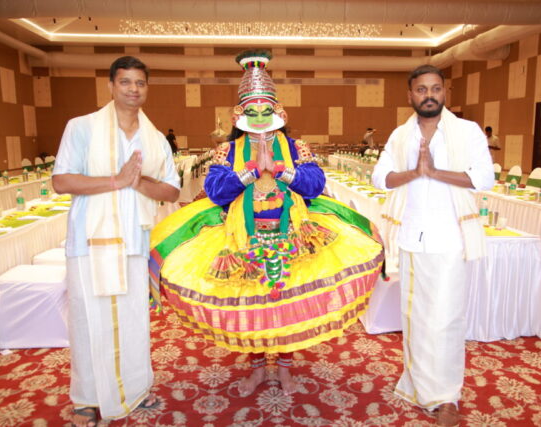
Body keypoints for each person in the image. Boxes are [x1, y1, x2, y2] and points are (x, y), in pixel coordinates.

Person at [150, 50, 383, 397]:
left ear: (279, 113)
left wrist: (279, 170)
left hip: (294, 234)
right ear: (239, 115)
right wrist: (251, 173)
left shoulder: (297, 146)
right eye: (253, 112)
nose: (260, 118)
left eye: (266, 111)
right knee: (253, 307)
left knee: (286, 309)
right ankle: (258, 369)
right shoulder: (227, 150)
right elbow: (215, 190)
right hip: (243, 237)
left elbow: (314, 185)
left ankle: (285, 369)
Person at [52, 56, 180, 427]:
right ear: (111, 86)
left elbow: (172, 191)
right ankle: (87, 397)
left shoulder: (154, 139)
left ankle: (135, 388)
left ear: (146, 88)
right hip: (90, 242)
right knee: (88, 320)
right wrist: (116, 181)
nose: (133, 89)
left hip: (134, 241)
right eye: (125, 82)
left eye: (140, 83)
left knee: (132, 319)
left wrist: (139, 183)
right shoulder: (81, 127)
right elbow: (61, 181)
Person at [372, 64, 494, 426]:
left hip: (449, 239)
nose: (429, 95)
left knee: (446, 319)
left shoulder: (467, 132)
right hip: (411, 237)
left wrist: (434, 172)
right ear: (410, 95)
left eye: (436, 88)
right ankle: (417, 384)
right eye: (422, 89)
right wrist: (414, 172)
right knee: (415, 317)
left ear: (445, 92)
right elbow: (380, 178)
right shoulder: (400, 136)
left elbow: (484, 177)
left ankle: (446, 397)